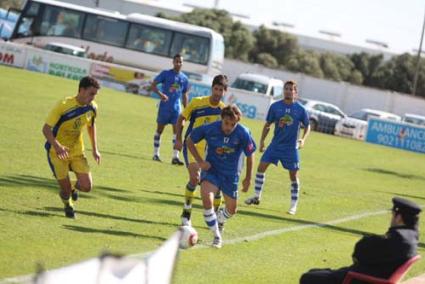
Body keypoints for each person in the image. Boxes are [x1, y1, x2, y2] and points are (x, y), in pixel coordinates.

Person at [300, 197, 422, 284]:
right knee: (317, 273)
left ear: (399, 217)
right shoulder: (411, 237)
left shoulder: (397, 238)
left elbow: (361, 252)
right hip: (371, 275)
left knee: (308, 277)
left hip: (360, 279)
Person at [186, 105, 256, 248]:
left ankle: (220, 219)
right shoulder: (210, 128)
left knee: (231, 209)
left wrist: (248, 178)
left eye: (233, 124)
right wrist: (200, 162)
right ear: (222, 118)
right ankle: (217, 236)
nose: (229, 127)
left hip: (230, 175)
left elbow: (250, 155)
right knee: (207, 199)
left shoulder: (243, 133)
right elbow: (189, 140)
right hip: (212, 171)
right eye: (226, 123)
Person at [244, 80, 310, 215]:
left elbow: (307, 125)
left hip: (291, 148)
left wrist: (303, 139)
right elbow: (268, 124)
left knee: (293, 176)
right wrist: (262, 141)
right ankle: (257, 196)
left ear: (295, 93)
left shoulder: (300, 110)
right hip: (275, 145)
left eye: (291, 89)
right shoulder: (275, 107)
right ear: (283, 90)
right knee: (261, 168)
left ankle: (293, 206)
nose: (288, 91)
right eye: (286, 88)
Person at [42, 76, 101, 218]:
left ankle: (72, 188)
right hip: (57, 152)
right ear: (81, 90)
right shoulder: (63, 105)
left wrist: (95, 149)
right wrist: (57, 146)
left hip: (77, 151)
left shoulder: (92, 107)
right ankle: (68, 205)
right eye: (91, 93)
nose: (93, 98)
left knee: (87, 187)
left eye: (95, 95)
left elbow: (91, 126)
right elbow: (46, 129)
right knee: (65, 190)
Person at [174, 75, 228, 226]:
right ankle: (186, 211)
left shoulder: (224, 111)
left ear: (225, 91)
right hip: (192, 146)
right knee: (195, 178)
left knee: (216, 187)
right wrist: (178, 138)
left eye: (220, 90)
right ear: (212, 88)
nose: (217, 93)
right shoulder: (197, 103)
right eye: (215, 89)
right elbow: (181, 118)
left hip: (212, 152)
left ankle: (217, 216)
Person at [151, 54, 190, 165]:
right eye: (176, 61)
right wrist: (161, 94)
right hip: (164, 107)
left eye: (180, 62)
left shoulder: (184, 78)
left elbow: (185, 95)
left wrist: (187, 110)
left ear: (182, 63)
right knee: (159, 130)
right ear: (173, 62)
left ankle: (175, 157)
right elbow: (153, 85)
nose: (178, 63)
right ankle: (155, 154)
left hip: (176, 109)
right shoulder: (166, 74)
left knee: (177, 132)